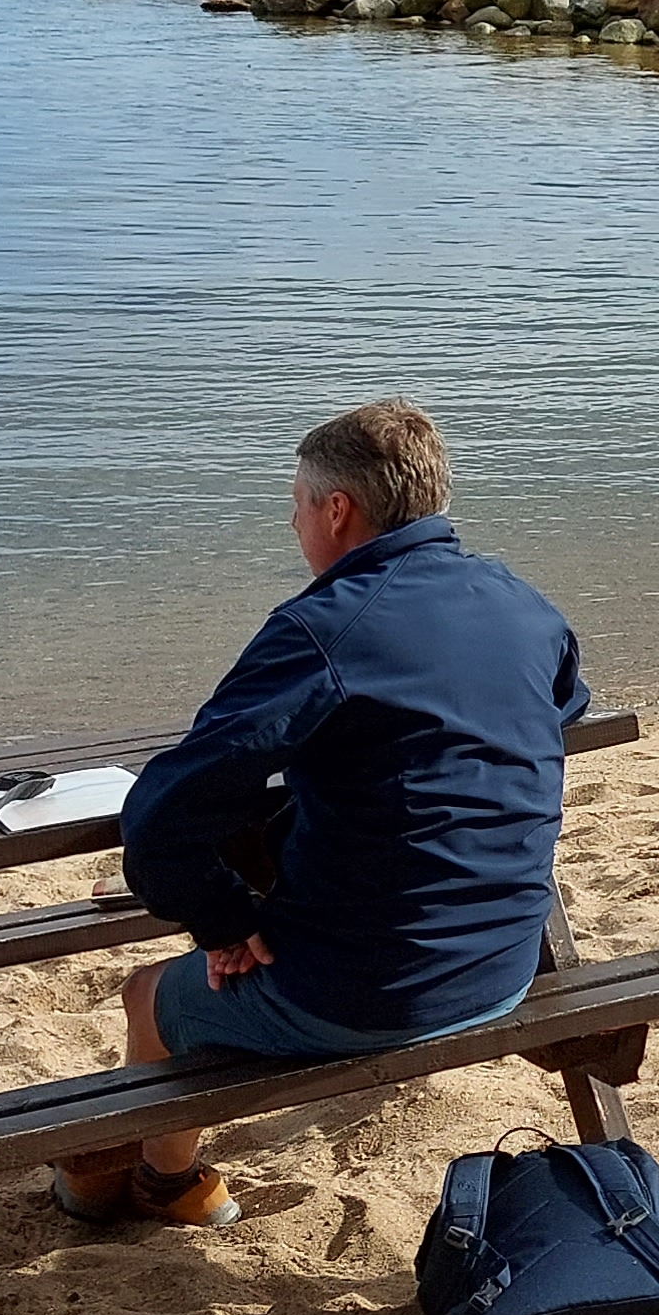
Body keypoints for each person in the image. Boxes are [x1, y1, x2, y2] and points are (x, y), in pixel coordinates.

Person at [76, 399, 588, 1229]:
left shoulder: (324, 628)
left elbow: (162, 817)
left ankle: (163, 1186)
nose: (294, 524)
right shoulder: (519, 602)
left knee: (146, 997)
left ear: (336, 510)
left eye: (296, 507)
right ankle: (121, 1171)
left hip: (383, 993)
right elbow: (566, 701)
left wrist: (220, 920)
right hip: (504, 962)